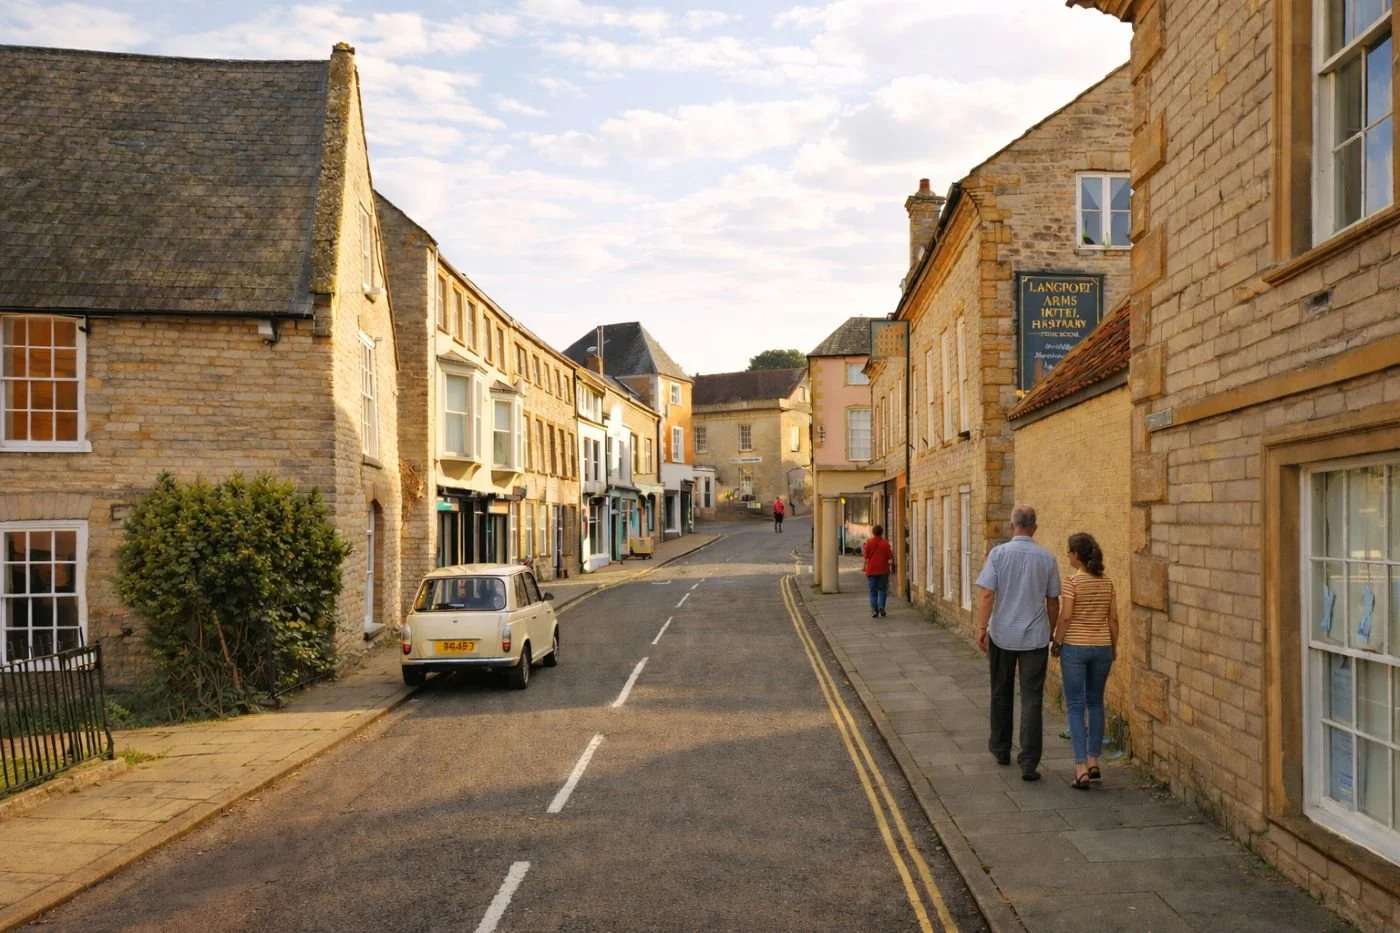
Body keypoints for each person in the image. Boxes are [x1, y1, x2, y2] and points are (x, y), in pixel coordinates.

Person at [975, 504, 1060, 781]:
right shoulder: (1047, 558)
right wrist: (1050, 631)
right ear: (1035, 528)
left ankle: (1001, 749)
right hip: (1034, 637)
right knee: (1032, 699)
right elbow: (1052, 600)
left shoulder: (998, 554)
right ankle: (1029, 763)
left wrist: (981, 627)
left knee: (1000, 692)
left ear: (1013, 526)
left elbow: (988, 595)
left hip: (1002, 634)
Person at [1052, 533, 1118, 790]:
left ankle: (1080, 768)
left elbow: (1066, 616)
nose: (1067, 555)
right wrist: (1113, 647)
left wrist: (1056, 642)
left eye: (1069, 552)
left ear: (1077, 555)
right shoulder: (1107, 582)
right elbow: (1113, 620)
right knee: (1096, 703)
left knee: (1076, 705)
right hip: (1102, 646)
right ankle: (1093, 761)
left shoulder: (1072, 582)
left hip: (1076, 648)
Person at [863, 524, 894, 618]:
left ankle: (874, 610)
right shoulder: (885, 543)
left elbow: (866, 557)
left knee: (873, 591)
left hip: (872, 570)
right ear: (882, 532)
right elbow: (890, 556)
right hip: (883, 570)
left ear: (873, 532)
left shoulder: (869, 542)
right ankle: (881, 607)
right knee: (882, 590)